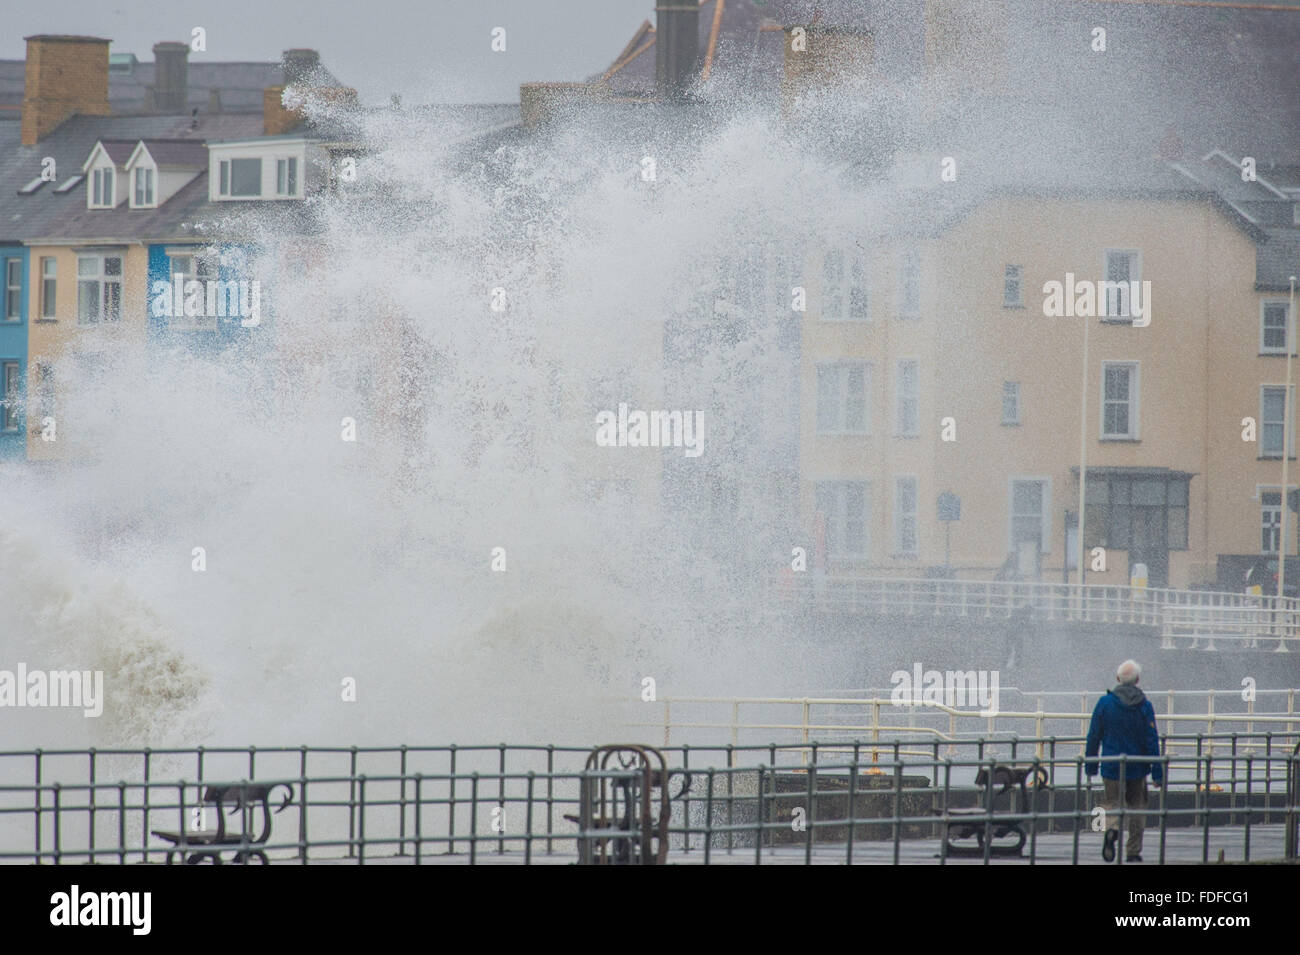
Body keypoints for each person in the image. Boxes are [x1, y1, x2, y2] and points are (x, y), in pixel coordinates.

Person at [1085, 660, 1164, 862]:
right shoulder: (1144, 706)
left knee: (1112, 803)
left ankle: (1111, 831)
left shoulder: (1105, 703)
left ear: (1118, 679)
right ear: (1137, 680)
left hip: (1111, 766)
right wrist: (1157, 772)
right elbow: (1151, 739)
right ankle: (1133, 852)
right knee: (1137, 808)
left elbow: (1094, 735)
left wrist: (1091, 765)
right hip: (1137, 767)